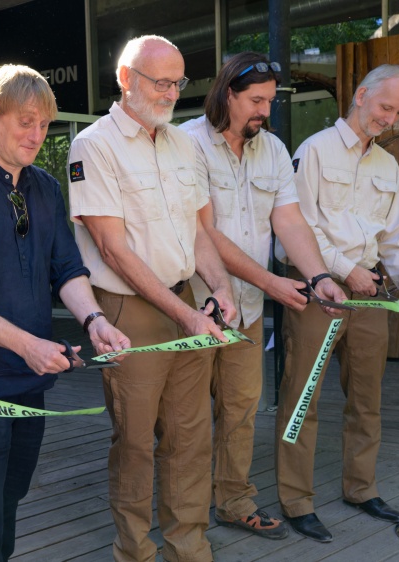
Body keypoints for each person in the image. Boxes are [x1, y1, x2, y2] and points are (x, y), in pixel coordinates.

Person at [0, 64, 131, 562]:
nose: (37, 135)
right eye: (25, 122)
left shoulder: (45, 187)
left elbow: (67, 268)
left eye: (44, 125)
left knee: (9, 500)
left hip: (29, 384)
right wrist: (29, 345)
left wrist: (96, 322)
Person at [68, 35, 238, 562]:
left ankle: (190, 550)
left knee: (191, 439)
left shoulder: (183, 143)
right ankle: (136, 552)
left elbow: (198, 231)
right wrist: (186, 313)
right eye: (159, 81)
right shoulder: (93, 145)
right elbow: (112, 251)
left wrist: (223, 289)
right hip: (131, 313)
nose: (170, 93)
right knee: (137, 443)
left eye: (178, 82)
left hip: (189, 304)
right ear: (126, 80)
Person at [178, 52, 347, 541]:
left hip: (247, 311)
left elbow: (289, 220)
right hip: (193, 308)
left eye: (270, 101)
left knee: (240, 409)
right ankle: (185, 519)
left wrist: (317, 277)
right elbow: (204, 232)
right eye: (255, 100)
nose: (264, 111)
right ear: (227, 93)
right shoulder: (187, 145)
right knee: (185, 422)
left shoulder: (271, 148)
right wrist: (272, 282)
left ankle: (232, 501)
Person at [273, 63, 399, 542]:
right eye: (386, 106)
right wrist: (343, 269)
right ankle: (295, 499)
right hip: (316, 290)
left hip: (369, 297)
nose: (390, 118)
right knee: (303, 398)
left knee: (367, 400)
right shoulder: (314, 151)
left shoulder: (387, 165)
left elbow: (397, 233)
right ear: (361, 95)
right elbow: (298, 227)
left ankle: (361, 488)